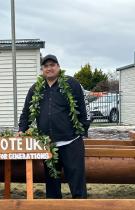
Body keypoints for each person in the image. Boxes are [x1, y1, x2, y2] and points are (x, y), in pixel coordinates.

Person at [19, 54, 90, 199]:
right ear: (42, 70)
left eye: (52, 65)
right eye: (46, 66)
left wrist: (82, 130)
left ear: (58, 67)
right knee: (52, 183)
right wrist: (21, 129)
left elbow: (85, 108)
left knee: (76, 179)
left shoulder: (72, 84)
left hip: (71, 142)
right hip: (48, 144)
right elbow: (26, 112)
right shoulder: (36, 89)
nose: (49, 68)